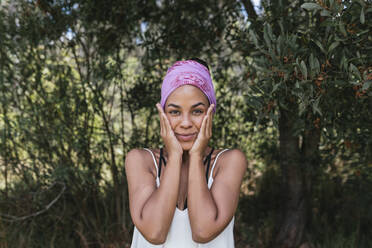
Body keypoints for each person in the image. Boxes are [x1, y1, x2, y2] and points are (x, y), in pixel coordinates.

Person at [125, 58, 247, 248]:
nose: (185, 123)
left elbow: (202, 231)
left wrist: (197, 155)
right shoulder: (141, 161)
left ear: (210, 113)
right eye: (174, 112)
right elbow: (155, 233)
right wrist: (174, 156)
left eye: (197, 111)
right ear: (162, 115)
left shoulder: (229, 161)